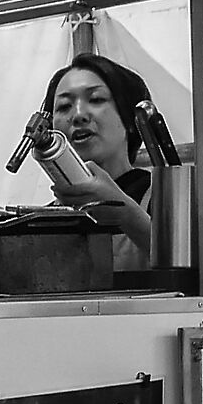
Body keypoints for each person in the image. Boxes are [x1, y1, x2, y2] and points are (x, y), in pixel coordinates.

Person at [37, 52, 156, 271]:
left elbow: (200, 272)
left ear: (131, 120)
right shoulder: (46, 220)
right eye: (64, 106)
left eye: (96, 100)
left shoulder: (164, 199)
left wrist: (125, 212)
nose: (79, 115)